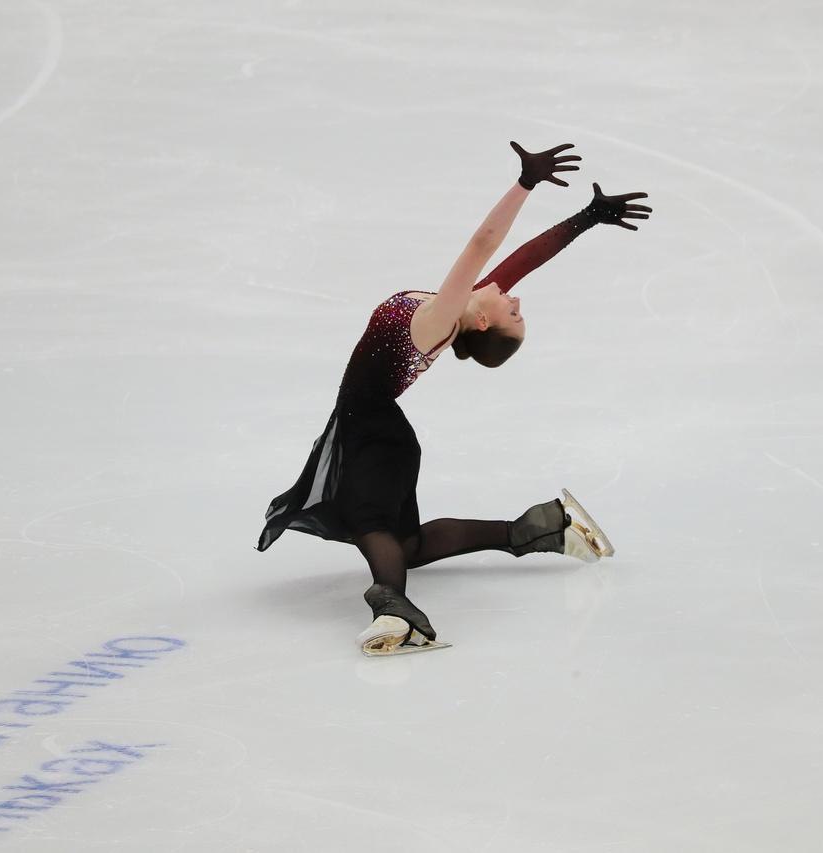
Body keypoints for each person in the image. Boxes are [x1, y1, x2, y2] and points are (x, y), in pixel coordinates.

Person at [256, 141, 652, 654]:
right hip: (377, 426)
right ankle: (546, 528)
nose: (515, 297)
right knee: (408, 545)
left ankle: (393, 611)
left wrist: (525, 183)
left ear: (482, 323)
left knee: (370, 524)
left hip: (374, 430)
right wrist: (587, 217)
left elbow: (483, 243)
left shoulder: (439, 318)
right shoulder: (458, 309)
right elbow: (524, 260)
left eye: (514, 313)